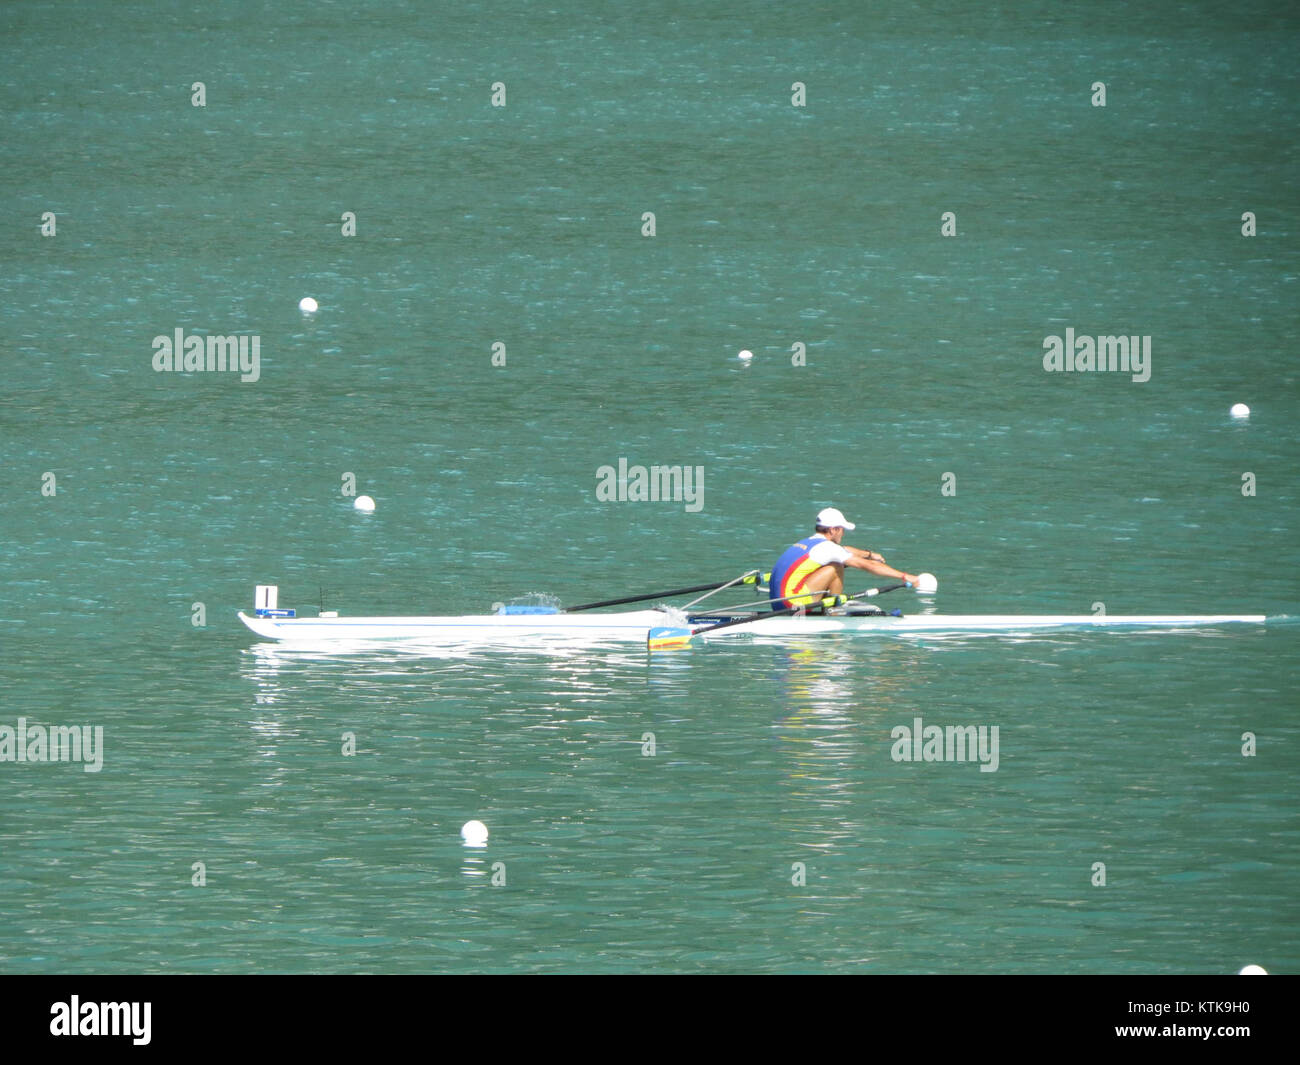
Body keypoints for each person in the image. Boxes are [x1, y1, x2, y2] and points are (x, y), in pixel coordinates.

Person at [769, 508, 922, 610]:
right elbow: (868, 566)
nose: (843, 533)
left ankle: (828, 605)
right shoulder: (828, 548)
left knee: (835, 562)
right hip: (791, 604)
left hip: (776, 603)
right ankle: (833, 611)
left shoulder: (809, 542)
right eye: (842, 529)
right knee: (836, 567)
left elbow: (846, 550)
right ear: (833, 530)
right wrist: (904, 576)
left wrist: (870, 554)